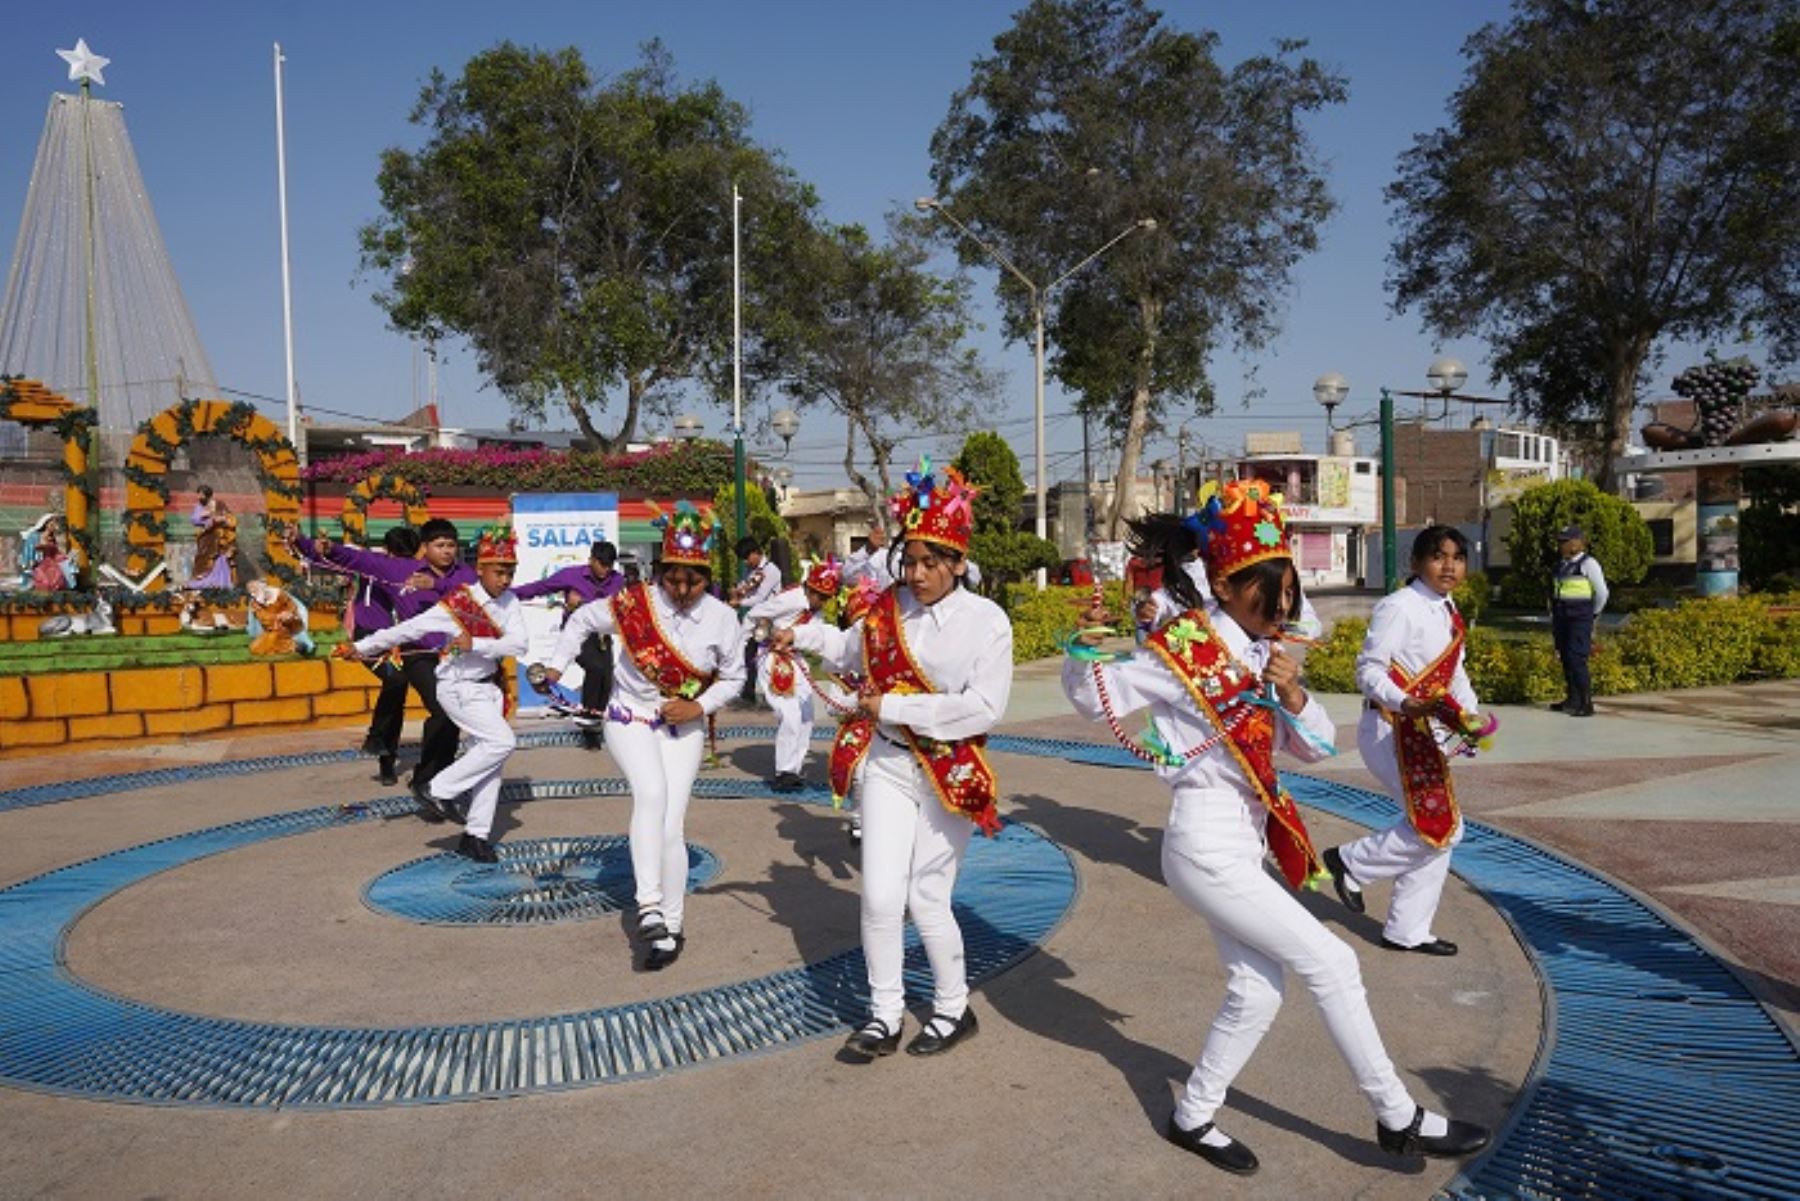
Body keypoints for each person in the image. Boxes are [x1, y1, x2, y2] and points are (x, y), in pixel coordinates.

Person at [1060, 483, 1489, 1176]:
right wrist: (1083, 654)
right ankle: (1396, 1115)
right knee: (1334, 962)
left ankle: (1193, 1112)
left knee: (1257, 990)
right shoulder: (1183, 653)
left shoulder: (1264, 656)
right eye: (1273, 588)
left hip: (1240, 844)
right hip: (1203, 846)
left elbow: (1314, 747)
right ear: (1225, 585)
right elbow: (1096, 701)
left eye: (1289, 589)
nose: (1285, 604)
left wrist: (1294, 695)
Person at [775, 463, 1011, 1060]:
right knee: (879, 896)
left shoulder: (988, 622)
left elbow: (984, 709)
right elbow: (846, 650)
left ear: (959, 561)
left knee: (927, 895)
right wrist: (799, 635)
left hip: (947, 770)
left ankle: (953, 1009)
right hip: (887, 761)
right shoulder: (886, 609)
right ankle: (884, 1014)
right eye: (911, 561)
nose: (918, 574)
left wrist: (902, 706)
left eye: (933, 562)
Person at [534, 502, 745, 970]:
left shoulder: (722, 619)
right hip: (629, 718)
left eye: (694, 580)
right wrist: (555, 664)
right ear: (660, 570)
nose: (684, 590)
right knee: (650, 794)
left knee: (672, 826)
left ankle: (669, 927)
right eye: (674, 579)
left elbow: (734, 678)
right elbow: (584, 620)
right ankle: (647, 905)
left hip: (682, 725)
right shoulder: (633, 604)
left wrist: (699, 706)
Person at [1322, 526, 1484, 958]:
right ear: (1416, 563)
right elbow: (1369, 671)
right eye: (1438, 556)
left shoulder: (1448, 610)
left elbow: (1455, 674)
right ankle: (1351, 862)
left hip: (1427, 732)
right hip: (1391, 728)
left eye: (1457, 557)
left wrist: (1468, 713)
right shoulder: (1399, 607)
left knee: (1434, 832)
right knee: (1444, 827)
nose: (1449, 565)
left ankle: (1406, 930)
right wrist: (1405, 701)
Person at [338, 527, 527, 863]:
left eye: (510, 572)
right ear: (480, 569)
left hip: (488, 688)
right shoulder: (457, 603)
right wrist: (361, 646)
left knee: (491, 764)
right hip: (457, 687)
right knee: (502, 743)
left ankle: (475, 835)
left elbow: (519, 643)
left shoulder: (510, 601)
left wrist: (478, 644)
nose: (505, 579)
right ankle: (435, 788)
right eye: (499, 572)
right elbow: (407, 629)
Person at [293, 519, 474, 792]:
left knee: (452, 716)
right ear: (424, 548)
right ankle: (421, 776)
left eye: (451, 545)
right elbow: (355, 558)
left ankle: (438, 776)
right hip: (417, 654)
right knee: (432, 703)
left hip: (456, 657)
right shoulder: (399, 568)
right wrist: (315, 546)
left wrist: (435, 585)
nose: (447, 551)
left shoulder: (465, 574)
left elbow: (476, 598)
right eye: (440, 545)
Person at [513, 539, 626, 749]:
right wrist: (509, 595)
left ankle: (595, 723)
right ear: (591, 559)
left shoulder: (618, 581)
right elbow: (541, 587)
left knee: (606, 678)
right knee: (596, 668)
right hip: (577, 635)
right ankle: (588, 728)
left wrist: (585, 603)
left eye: (609, 565)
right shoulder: (571, 575)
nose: (605, 569)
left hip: (602, 636)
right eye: (601, 564)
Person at [746, 557, 843, 792]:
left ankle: (793, 770)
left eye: (825, 598)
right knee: (789, 714)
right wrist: (763, 635)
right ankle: (783, 771)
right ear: (809, 588)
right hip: (774, 658)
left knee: (807, 714)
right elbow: (756, 613)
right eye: (818, 595)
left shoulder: (815, 609)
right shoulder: (791, 599)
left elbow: (815, 636)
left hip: (797, 659)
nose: (821, 602)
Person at [1550, 525, 1608, 717]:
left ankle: (1585, 703)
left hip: (1579, 618)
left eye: (1564, 541)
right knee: (1565, 657)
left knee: (1576, 658)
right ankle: (1572, 699)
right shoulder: (1561, 565)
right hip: (1562, 616)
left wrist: (1592, 614)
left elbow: (1602, 593)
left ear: (1576, 543)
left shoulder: (1588, 564)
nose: (1560, 545)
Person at [185, 485, 238, 589]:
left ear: (208, 494)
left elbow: (231, 519)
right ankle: (204, 580)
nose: (199, 497)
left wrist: (222, 519)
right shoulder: (199, 506)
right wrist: (204, 516)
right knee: (203, 558)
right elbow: (194, 519)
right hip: (206, 538)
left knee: (221, 557)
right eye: (198, 494)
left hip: (221, 537)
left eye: (201, 494)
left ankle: (221, 581)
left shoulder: (220, 504)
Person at [245, 578, 312, 656]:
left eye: (255, 590)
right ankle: (295, 646)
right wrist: (277, 617)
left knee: (273, 639)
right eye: (251, 592)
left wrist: (287, 614)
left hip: (289, 624)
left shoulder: (279, 594)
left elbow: (292, 607)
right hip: (273, 628)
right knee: (256, 648)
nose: (253, 594)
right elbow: (263, 617)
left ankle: (299, 645)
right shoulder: (255, 603)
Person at [25, 516, 73, 591]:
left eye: (54, 525)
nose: (53, 526)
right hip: (42, 562)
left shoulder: (53, 538)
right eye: (51, 524)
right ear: (46, 524)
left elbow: (58, 551)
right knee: (44, 577)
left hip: (53, 562)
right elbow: (32, 548)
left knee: (58, 576)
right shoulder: (36, 536)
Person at [843, 523, 894, 590]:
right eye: (877, 533)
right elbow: (846, 579)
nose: (882, 536)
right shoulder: (853, 558)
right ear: (869, 535)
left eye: (883, 534)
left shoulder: (888, 557)